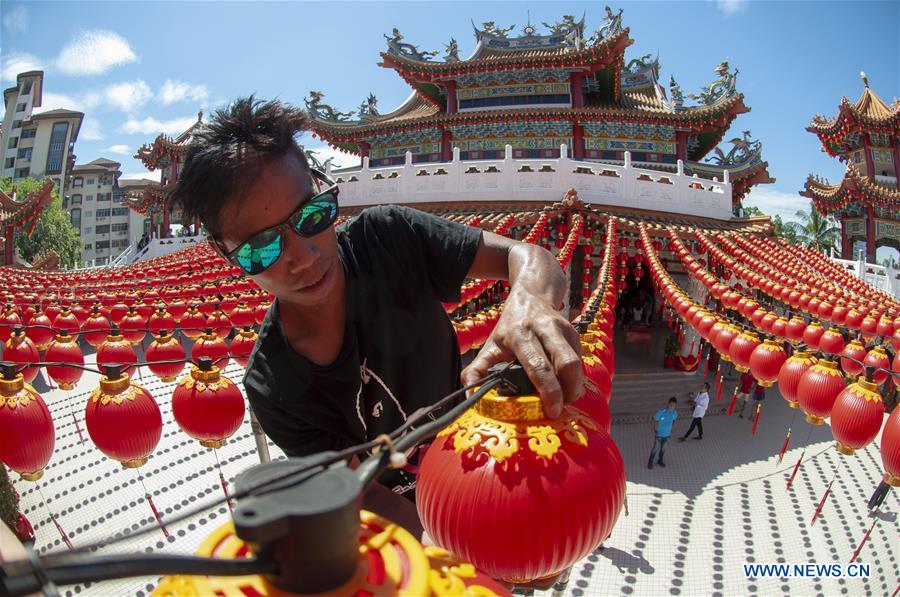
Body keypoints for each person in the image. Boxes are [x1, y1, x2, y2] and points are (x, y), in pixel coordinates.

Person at [170, 97, 583, 505]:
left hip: (487, 462)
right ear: (225, 253)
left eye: (312, 215)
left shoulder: (388, 238)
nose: (305, 256)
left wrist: (529, 300)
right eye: (261, 247)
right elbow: (369, 500)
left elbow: (527, 256)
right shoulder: (274, 389)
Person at [648, 397, 678, 469]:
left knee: (663, 449)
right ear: (668, 404)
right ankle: (650, 462)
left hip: (667, 435)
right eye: (671, 405)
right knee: (655, 449)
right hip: (659, 435)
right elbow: (654, 420)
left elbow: (674, 421)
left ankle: (660, 460)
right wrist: (654, 430)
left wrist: (671, 429)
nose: (672, 407)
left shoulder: (674, 413)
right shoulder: (661, 412)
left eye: (674, 406)